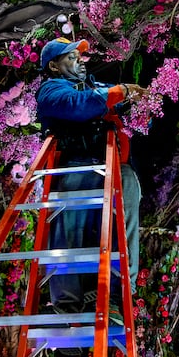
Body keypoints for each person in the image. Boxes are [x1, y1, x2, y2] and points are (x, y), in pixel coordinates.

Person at [35, 37, 148, 315]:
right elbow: (76, 105)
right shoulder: (51, 89)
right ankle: (67, 307)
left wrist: (141, 104)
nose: (80, 61)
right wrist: (119, 93)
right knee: (69, 232)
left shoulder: (96, 88)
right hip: (77, 168)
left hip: (113, 169)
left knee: (126, 211)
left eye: (80, 56)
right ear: (54, 66)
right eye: (71, 57)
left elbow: (120, 104)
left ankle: (119, 292)